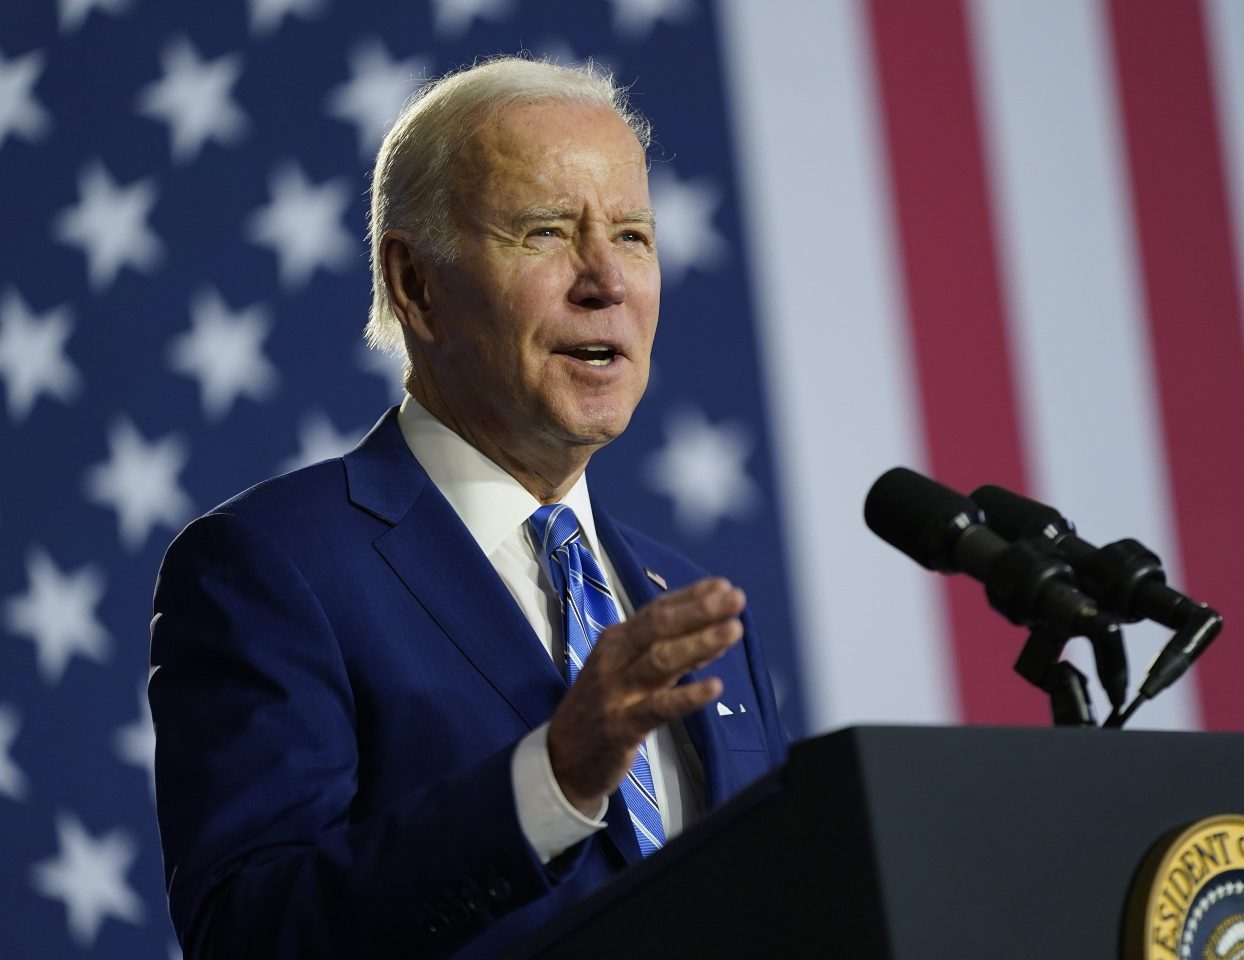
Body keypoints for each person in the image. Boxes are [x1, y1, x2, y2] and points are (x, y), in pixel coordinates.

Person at [149, 56, 788, 959]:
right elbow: (251, 934)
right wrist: (550, 782)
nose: (605, 279)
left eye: (635, 236)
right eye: (546, 232)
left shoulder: (683, 601)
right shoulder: (275, 568)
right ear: (416, 285)